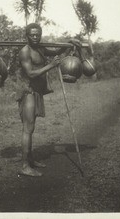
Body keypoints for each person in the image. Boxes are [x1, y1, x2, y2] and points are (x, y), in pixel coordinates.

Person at [16, 23, 81, 177]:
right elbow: (30, 73)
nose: (35, 37)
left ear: (40, 34)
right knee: (28, 128)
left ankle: (30, 160)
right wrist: (51, 66)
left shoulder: (40, 48)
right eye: (32, 35)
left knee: (31, 128)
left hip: (37, 92)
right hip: (27, 92)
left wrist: (68, 43)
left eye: (37, 34)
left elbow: (56, 51)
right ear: (27, 35)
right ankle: (24, 166)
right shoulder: (25, 51)